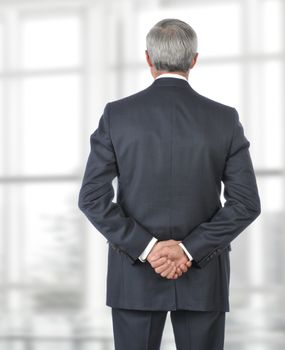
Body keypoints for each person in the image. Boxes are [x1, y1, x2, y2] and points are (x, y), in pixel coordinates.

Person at [77, 18, 261, 350]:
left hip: (134, 274)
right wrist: (188, 249)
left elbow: (92, 198)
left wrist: (148, 248)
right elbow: (246, 203)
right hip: (203, 274)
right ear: (194, 59)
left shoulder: (117, 115)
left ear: (148, 58)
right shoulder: (224, 118)